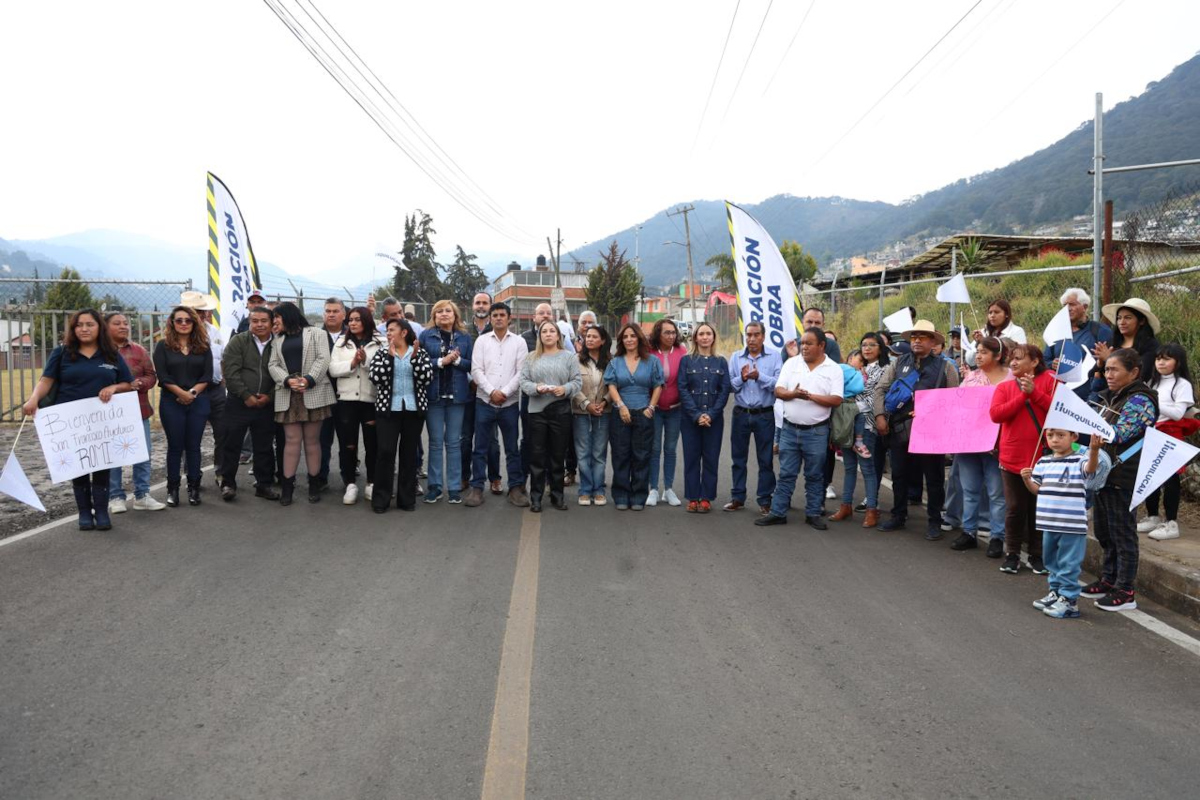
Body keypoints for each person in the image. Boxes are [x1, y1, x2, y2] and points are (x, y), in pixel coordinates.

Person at [22, 309, 134, 529]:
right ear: (73, 329)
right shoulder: (62, 352)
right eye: (79, 325)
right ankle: (84, 512)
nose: (84, 329)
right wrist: (33, 399)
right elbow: (46, 380)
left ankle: (102, 512)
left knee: (102, 465)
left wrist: (113, 387)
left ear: (99, 327)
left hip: (102, 423)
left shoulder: (110, 353)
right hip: (71, 422)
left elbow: (127, 383)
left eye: (90, 324)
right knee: (79, 467)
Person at [1080, 348, 1159, 611]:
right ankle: (1109, 579)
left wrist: (1086, 423)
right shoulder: (1115, 397)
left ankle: (1125, 591)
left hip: (1124, 476)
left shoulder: (1140, 400)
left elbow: (1120, 434)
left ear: (1134, 372)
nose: (1108, 374)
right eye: (1106, 369)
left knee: (1122, 533)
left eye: (1114, 369)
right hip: (1106, 474)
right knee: (1104, 531)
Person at [872, 321, 960, 536]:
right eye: (914, 337)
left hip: (931, 432)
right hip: (899, 428)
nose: (917, 340)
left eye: (922, 337)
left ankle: (934, 521)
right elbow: (881, 389)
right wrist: (880, 416)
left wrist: (932, 414)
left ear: (933, 342)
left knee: (934, 478)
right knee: (899, 474)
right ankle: (898, 515)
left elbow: (953, 400)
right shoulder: (899, 363)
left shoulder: (946, 367)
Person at [756, 327, 843, 529]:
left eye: (809, 343)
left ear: (822, 346)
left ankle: (812, 513)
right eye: (802, 343)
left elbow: (837, 399)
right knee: (786, 473)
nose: (803, 347)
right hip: (789, 430)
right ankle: (778, 512)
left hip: (817, 431)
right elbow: (778, 391)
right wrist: (793, 394)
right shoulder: (791, 363)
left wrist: (811, 397)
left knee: (814, 475)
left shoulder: (833, 368)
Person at [989, 343, 1057, 575]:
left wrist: (1034, 393)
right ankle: (1013, 554)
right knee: (1015, 507)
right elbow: (996, 415)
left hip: (1042, 458)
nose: (1013, 362)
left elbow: (1057, 410)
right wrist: (1022, 396)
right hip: (1011, 457)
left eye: (1019, 358)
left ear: (1035, 362)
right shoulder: (1005, 387)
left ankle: (1037, 555)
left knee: (1038, 508)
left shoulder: (1050, 382)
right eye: (1011, 358)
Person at [1022, 429, 1104, 620]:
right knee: (1051, 560)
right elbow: (1037, 490)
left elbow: (1090, 470)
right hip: (1048, 522)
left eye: (1060, 435)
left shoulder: (1079, 460)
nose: (1055, 440)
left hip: (1072, 524)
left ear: (1073, 437)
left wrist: (1093, 450)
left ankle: (1069, 601)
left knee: (1069, 563)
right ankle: (1056, 592)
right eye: (1050, 436)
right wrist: (1027, 479)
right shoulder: (1043, 462)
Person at [268, 302, 336, 506]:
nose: (275, 321)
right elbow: (273, 364)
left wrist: (309, 379)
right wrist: (288, 380)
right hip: (289, 393)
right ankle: (288, 486)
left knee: (312, 440)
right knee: (291, 440)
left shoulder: (316, 333)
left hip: (313, 390)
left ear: (287, 315)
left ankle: (314, 484)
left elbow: (323, 358)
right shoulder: (277, 340)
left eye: (277, 317)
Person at [464, 303, 530, 508]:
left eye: (502, 315)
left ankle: (515, 488)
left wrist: (505, 392)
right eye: (495, 315)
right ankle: (476, 488)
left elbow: (522, 372)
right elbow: (476, 370)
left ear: (509, 318)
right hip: (484, 402)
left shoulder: (519, 342)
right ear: (490, 318)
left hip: (509, 404)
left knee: (512, 448)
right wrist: (492, 392)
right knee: (480, 448)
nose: (499, 318)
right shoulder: (482, 341)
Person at [951, 336, 1010, 555]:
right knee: (970, 490)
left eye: (984, 352)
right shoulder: (971, 377)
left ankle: (997, 537)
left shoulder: (1011, 379)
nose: (978, 355)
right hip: (969, 443)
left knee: (996, 492)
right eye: (977, 351)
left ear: (998, 355)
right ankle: (969, 532)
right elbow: (956, 406)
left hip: (997, 445)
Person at [367, 318, 432, 512]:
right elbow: (376, 378)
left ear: (404, 333)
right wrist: (389, 358)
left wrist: (414, 359)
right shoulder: (381, 353)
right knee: (385, 452)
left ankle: (406, 500)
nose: (388, 333)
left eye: (392, 330)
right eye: (387, 330)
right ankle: (381, 499)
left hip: (413, 410)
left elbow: (426, 378)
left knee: (409, 454)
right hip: (388, 410)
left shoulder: (419, 352)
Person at [219, 305, 281, 502]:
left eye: (264, 321)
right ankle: (228, 483)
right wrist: (246, 396)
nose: (260, 325)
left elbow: (282, 374)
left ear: (272, 323)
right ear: (249, 322)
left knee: (264, 446)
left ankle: (264, 485)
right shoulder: (238, 341)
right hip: (238, 403)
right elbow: (230, 372)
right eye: (255, 321)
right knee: (232, 444)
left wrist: (269, 396)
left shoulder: (279, 344)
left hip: (266, 404)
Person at [153, 305, 213, 508]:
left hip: (199, 401)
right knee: (175, 447)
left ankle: (194, 488)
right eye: (179, 320)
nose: (184, 324)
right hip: (172, 402)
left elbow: (207, 376)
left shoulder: (203, 346)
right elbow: (163, 376)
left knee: (194, 447)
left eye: (188, 320)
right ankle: (173, 489)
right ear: (172, 323)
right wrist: (181, 393)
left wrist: (192, 394)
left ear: (195, 323)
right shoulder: (162, 346)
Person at [104, 312, 165, 513]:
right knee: (114, 456)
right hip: (109, 414)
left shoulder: (138, 350)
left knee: (143, 454)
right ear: (106, 327)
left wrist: (140, 384)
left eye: (125, 323)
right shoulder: (100, 352)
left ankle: (142, 495)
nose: (123, 326)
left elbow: (151, 375)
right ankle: (115, 497)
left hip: (138, 411)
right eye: (117, 323)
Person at [520, 320, 582, 512]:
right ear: (539, 336)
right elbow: (524, 381)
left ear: (558, 335)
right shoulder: (531, 357)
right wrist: (536, 388)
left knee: (557, 456)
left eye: (551, 331)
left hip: (561, 410)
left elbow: (577, 382)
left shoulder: (569, 357)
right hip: (537, 411)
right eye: (544, 331)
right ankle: (536, 497)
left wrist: (564, 389)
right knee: (537, 456)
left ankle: (557, 496)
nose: (548, 334)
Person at [329, 306, 385, 504]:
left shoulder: (381, 341)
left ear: (367, 321)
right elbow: (333, 369)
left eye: (357, 319)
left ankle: (371, 483)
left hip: (371, 400)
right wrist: (352, 363)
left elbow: (384, 368)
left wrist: (364, 361)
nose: (352, 323)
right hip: (346, 401)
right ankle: (350, 484)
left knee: (373, 444)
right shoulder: (341, 343)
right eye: (350, 320)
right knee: (348, 444)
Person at [605, 323, 664, 511]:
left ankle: (639, 495)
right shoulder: (615, 361)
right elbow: (611, 384)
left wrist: (651, 408)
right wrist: (620, 405)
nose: (629, 339)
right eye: (625, 337)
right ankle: (621, 494)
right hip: (620, 413)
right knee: (621, 455)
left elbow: (658, 385)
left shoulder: (652, 361)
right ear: (621, 340)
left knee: (641, 455)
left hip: (644, 413)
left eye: (632, 336)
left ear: (639, 338)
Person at [419, 300, 473, 505]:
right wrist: (442, 361)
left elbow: (472, 365)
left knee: (453, 443)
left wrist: (457, 361)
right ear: (433, 316)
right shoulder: (426, 335)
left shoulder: (465, 337)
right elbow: (420, 363)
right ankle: (434, 487)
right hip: (433, 396)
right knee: (434, 443)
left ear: (455, 315)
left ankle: (454, 487)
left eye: (447, 311)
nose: (443, 314)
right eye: (439, 311)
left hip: (457, 397)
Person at [1139, 344, 1195, 540]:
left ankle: (1171, 522)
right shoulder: (1153, 382)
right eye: (1158, 358)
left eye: (1167, 359)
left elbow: (1179, 414)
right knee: (1150, 476)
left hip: (1170, 434)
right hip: (1151, 433)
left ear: (1177, 362)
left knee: (1170, 479)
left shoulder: (1182, 385)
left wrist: (1152, 400)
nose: (1161, 362)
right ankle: (1152, 515)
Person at [725, 321, 781, 515]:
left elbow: (779, 385)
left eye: (756, 335)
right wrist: (742, 378)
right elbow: (730, 386)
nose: (752, 339)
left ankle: (765, 500)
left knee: (765, 459)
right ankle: (737, 497)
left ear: (763, 337)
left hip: (764, 414)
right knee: (738, 458)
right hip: (741, 413)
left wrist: (759, 377)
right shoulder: (735, 357)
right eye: (748, 335)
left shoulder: (774, 356)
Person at [833, 335, 887, 527]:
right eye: (864, 344)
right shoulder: (854, 369)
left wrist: (855, 402)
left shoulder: (884, 369)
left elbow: (875, 396)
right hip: (847, 420)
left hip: (867, 423)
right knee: (848, 466)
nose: (867, 348)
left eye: (872, 345)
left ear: (881, 348)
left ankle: (872, 509)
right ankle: (846, 505)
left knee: (867, 468)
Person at [676, 322, 729, 513]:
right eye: (701, 334)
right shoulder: (686, 361)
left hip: (714, 420)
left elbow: (724, 391)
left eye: (708, 334)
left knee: (710, 458)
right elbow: (682, 388)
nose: (705, 337)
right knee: (691, 458)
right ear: (695, 337)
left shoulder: (721, 361)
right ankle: (692, 497)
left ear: (713, 337)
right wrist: (697, 414)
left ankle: (706, 497)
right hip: (690, 419)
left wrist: (711, 415)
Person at [180, 291, 227, 489]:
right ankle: (193, 477)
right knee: (192, 436)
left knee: (223, 433)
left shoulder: (214, 332)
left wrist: (223, 382)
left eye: (203, 311)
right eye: (196, 312)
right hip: (192, 392)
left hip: (216, 390)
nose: (201, 315)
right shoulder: (179, 336)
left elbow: (222, 359)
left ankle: (223, 474)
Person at [1043, 287, 1112, 403]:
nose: (1067, 309)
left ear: (1085, 307)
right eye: (1064, 306)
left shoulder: (1099, 330)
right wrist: (1052, 364)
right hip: (1059, 396)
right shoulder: (1056, 332)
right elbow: (1044, 360)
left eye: (1072, 304)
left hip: (1089, 397)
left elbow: (1110, 361)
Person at [463, 291, 501, 493]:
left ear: (491, 306)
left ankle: (495, 478)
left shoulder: (495, 329)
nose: (481, 306)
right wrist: (473, 380)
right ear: (472, 305)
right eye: (478, 302)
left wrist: (485, 384)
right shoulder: (462, 330)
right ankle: (464, 477)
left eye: (485, 303)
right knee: (465, 437)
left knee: (491, 440)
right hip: (468, 392)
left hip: (489, 393)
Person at [647, 318, 685, 507]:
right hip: (653, 410)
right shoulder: (649, 352)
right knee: (654, 450)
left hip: (675, 410)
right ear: (658, 334)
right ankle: (653, 488)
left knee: (670, 450)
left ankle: (668, 489)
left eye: (673, 332)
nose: (671, 336)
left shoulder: (682, 352)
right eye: (667, 333)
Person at [573, 324, 612, 506]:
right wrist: (587, 404)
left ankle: (599, 490)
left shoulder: (611, 361)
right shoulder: (575, 360)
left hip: (603, 412)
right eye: (587, 336)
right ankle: (585, 490)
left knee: (599, 453)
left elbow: (615, 385)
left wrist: (604, 402)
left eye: (594, 336)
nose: (589, 339)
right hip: (581, 412)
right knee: (582, 453)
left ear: (603, 340)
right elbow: (572, 385)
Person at [1092, 297, 1160, 399]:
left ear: (1141, 321)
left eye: (1128, 318)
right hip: (1104, 398)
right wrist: (1100, 363)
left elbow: (1142, 375)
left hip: (1131, 399)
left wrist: (1109, 359)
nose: (1122, 322)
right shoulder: (1111, 343)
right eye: (1119, 318)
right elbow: (1093, 378)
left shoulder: (1151, 346)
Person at [316, 297, 348, 492]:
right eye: (328, 311)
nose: (331, 314)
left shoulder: (353, 335)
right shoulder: (315, 336)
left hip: (346, 396)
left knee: (346, 440)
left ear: (343, 314)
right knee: (322, 440)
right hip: (322, 395)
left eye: (335, 311)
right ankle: (320, 476)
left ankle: (348, 477)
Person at [968, 300, 1026, 367]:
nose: (992, 315)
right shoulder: (983, 332)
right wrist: (978, 343)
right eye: (990, 313)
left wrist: (985, 342)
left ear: (1006, 314)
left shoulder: (1016, 331)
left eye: (996, 312)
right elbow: (970, 360)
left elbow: (1020, 356)